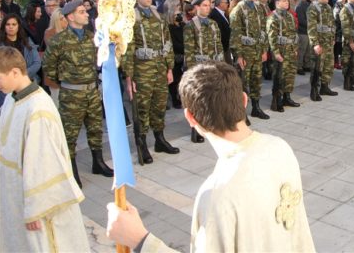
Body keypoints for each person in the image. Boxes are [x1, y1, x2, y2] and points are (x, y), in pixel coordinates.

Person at [106, 62, 315, 252]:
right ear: (244, 100)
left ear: (190, 118)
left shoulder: (218, 193)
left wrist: (140, 240)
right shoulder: (280, 146)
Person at [0, 47, 90, 252]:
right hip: (14, 197)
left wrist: (35, 209)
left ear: (15, 72)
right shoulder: (12, 99)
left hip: (37, 209)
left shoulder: (37, 109)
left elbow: (43, 162)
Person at [42, 0, 113, 187]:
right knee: (70, 134)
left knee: (95, 128)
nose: (87, 14)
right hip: (71, 95)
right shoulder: (59, 40)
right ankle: (71, 171)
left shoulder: (91, 37)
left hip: (92, 91)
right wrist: (66, 82)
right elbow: (48, 67)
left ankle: (98, 162)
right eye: (82, 12)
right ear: (71, 17)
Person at [123, 0, 179, 165]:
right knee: (142, 109)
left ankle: (159, 139)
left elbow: (167, 43)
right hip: (142, 72)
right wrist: (129, 77)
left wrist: (169, 68)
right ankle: (142, 144)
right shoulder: (131, 18)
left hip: (160, 69)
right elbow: (127, 50)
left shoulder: (158, 16)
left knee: (159, 106)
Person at [184, 0, 224, 142]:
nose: (208, 8)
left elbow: (219, 45)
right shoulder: (190, 26)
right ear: (196, 7)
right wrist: (192, 72)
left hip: (213, 67)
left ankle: (210, 124)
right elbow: (189, 51)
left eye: (209, 5)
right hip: (199, 68)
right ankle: (196, 130)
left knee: (212, 97)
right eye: (204, 5)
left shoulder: (213, 24)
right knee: (198, 98)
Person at [230, 0, 270, 120]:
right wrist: (239, 55)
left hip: (257, 51)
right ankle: (241, 114)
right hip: (245, 52)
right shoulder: (238, 10)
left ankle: (256, 108)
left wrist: (264, 49)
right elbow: (235, 35)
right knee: (243, 83)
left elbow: (264, 30)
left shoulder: (259, 8)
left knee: (256, 81)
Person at [266, 0, 300, 112]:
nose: (287, 3)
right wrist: (276, 53)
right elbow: (271, 37)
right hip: (280, 51)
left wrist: (295, 49)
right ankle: (277, 101)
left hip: (290, 50)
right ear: (277, 3)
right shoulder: (273, 17)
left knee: (289, 75)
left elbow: (293, 34)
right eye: (284, 1)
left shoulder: (289, 16)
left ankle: (287, 97)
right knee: (279, 77)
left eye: (287, 1)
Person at [307, 0, 338, 101]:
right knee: (317, 67)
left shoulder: (328, 7)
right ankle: (314, 90)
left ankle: (325, 87)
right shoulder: (313, 8)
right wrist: (315, 44)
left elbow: (332, 24)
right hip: (319, 43)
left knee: (328, 66)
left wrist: (333, 37)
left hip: (328, 42)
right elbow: (311, 28)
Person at [43, 8, 68, 107]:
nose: (65, 20)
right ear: (56, 20)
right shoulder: (49, 33)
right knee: (58, 104)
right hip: (56, 76)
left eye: (65, 17)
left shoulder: (70, 31)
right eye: (62, 18)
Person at [167, 7, 185, 111]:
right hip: (176, 56)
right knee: (175, 80)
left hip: (185, 55)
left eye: (180, 14)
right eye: (176, 15)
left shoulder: (183, 26)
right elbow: (173, 43)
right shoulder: (170, 28)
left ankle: (182, 98)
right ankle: (175, 99)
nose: (179, 16)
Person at [209, 0, 232, 64]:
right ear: (220, 4)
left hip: (226, 46)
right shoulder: (214, 15)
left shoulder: (222, 13)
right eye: (226, 2)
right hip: (221, 48)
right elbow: (219, 33)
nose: (228, 4)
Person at [295, 0, 312, 75]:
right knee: (301, 50)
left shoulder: (308, 4)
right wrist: (311, 24)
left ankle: (306, 65)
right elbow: (301, 20)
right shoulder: (300, 6)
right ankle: (299, 66)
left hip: (308, 31)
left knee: (308, 50)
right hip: (302, 32)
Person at [333, 0, 345, 70]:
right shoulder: (337, 6)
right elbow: (336, 18)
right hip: (338, 30)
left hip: (344, 30)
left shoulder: (345, 5)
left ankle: (341, 62)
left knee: (341, 47)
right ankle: (336, 62)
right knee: (337, 47)